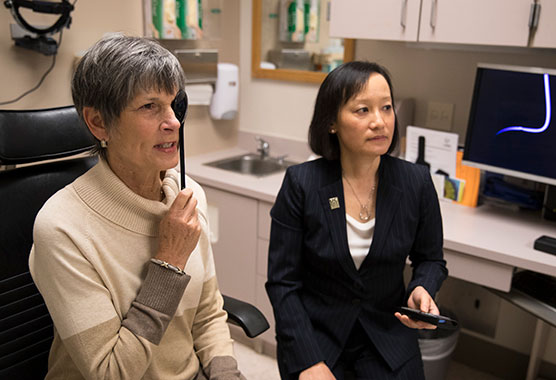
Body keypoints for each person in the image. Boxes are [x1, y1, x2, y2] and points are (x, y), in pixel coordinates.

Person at [29, 34, 245, 380]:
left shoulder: (189, 197)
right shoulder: (61, 226)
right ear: (99, 123)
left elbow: (207, 315)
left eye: (175, 104)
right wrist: (170, 261)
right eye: (150, 106)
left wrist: (226, 375)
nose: (173, 121)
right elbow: (111, 372)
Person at [266, 61, 448, 380]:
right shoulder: (301, 184)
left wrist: (423, 288)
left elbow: (430, 259)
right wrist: (308, 360)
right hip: (316, 338)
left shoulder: (415, 183)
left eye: (387, 108)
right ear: (332, 123)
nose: (380, 122)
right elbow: (283, 283)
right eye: (363, 110)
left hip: (387, 336)